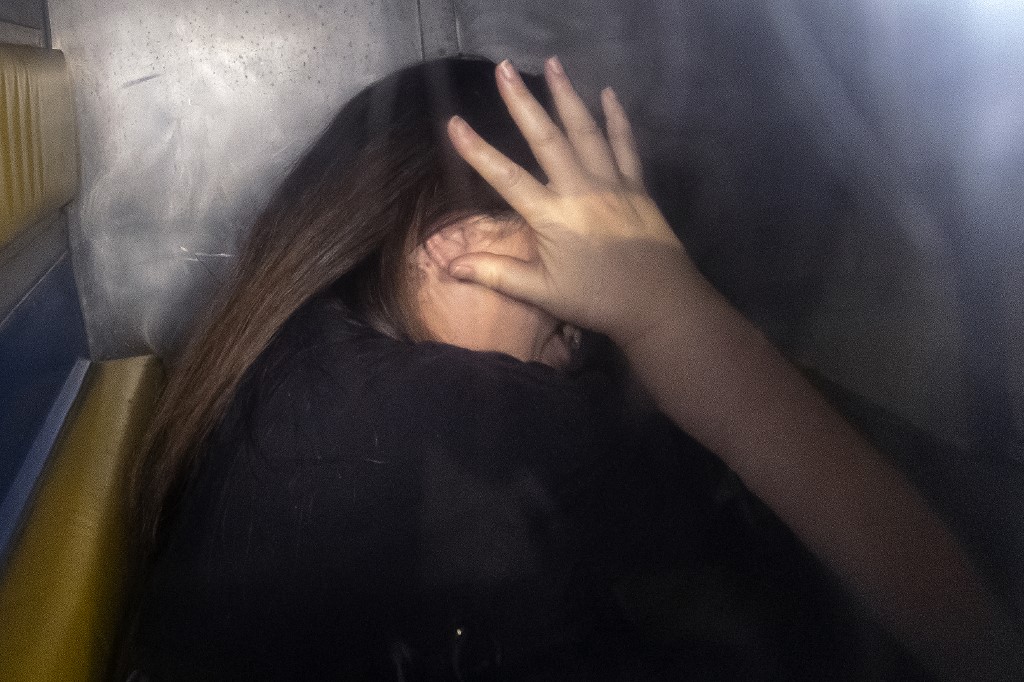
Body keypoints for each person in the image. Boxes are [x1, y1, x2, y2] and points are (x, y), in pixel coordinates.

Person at [120, 56, 1022, 680]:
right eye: (561, 325)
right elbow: (965, 624)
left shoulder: (298, 376)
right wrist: (668, 309)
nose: (570, 354)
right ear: (462, 249)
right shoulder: (425, 425)